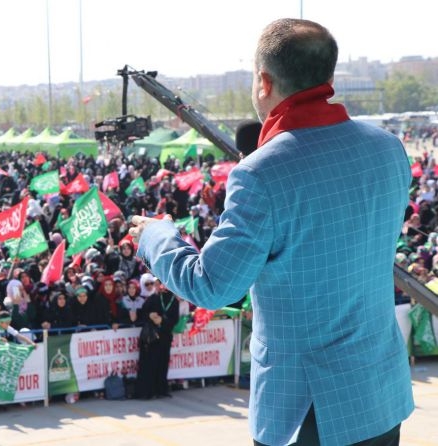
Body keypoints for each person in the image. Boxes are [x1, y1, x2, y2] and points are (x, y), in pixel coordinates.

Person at [130, 18, 414, 446]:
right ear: (329, 76)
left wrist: (157, 235)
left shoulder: (262, 173)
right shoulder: (388, 148)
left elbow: (213, 285)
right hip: (379, 398)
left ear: (264, 82)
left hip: (309, 410)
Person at [134, 280, 178, 400]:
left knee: (163, 363)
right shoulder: (152, 298)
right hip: (152, 338)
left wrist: (162, 321)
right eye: (158, 284)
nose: (160, 287)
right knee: (150, 364)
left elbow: (175, 319)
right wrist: (150, 316)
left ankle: (161, 389)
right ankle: (149, 391)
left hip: (165, 337)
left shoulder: (173, 300)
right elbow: (143, 313)